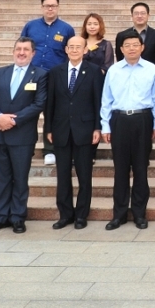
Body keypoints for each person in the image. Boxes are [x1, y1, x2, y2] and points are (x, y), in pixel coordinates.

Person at [0, 37, 47, 234]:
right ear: (13, 51)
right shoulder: (1, 73)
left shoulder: (40, 75)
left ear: (33, 53)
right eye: (18, 49)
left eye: (26, 49)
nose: (21, 52)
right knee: (1, 179)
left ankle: (18, 217)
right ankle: (1, 216)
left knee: (20, 179)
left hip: (22, 136)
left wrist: (13, 121)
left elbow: (38, 104)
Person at [101, 29, 155, 230]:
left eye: (136, 45)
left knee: (141, 169)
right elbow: (106, 100)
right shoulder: (114, 70)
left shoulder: (151, 69)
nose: (132, 48)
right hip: (119, 120)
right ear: (121, 49)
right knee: (121, 170)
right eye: (127, 45)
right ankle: (119, 214)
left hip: (142, 119)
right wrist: (105, 125)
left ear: (142, 47)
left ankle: (139, 214)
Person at [46, 36, 104, 230]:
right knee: (62, 175)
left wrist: (98, 127)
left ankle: (81, 214)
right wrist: (48, 128)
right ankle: (65, 214)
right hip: (61, 129)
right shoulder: (56, 72)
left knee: (84, 175)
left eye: (78, 47)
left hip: (85, 130)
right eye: (71, 47)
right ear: (66, 50)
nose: (74, 50)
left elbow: (98, 102)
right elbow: (50, 103)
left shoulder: (95, 71)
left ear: (85, 49)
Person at [22, 0, 74, 167]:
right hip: (32, 75)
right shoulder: (31, 26)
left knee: (51, 113)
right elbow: (22, 47)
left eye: (53, 5)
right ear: (42, 7)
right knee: (29, 112)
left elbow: (70, 54)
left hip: (55, 77)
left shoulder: (67, 29)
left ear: (58, 7)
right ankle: (26, 148)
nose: (50, 8)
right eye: (47, 5)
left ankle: (50, 149)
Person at [117, 2, 155, 68]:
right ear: (132, 16)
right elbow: (119, 57)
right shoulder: (121, 35)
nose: (139, 16)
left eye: (143, 13)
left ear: (148, 16)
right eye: (136, 13)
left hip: (149, 73)